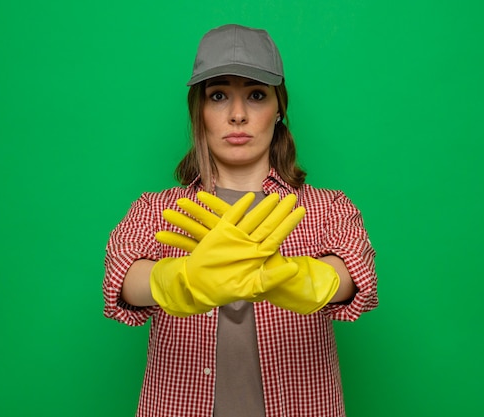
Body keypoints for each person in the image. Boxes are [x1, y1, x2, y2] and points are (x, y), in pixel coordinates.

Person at [103, 24, 378, 417]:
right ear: (199, 111)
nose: (237, 115)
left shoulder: (327, 208)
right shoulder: (156, 209)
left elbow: (354, 270)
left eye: (255, 95)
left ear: (279, 108)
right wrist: (179, 280)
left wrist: (301, 278)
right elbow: (123, 277)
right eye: (218, 96)